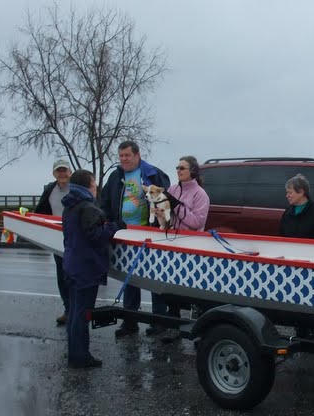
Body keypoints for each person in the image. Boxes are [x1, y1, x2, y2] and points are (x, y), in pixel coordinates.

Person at [98, 141, 171, 337]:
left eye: (127, 155)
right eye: (121, 156)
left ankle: (159, 321)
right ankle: (130, 321)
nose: (123, 159)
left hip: (151, 233)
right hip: (124, 232)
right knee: (129, 277)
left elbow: (167, 199)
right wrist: (107, 222)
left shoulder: (153, 174)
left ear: (137, 155)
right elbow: (105, 201)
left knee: (155, 277)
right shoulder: (115, 176)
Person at [61, 169, 118, 368]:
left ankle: (75, 354)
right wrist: (113, 227)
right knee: (81, 315)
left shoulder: (69, 206)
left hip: (72, 264)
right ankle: (80, 357)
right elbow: (96, 236)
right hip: (86, 267)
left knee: (74, 313)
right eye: (94, 183)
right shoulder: (87, 207)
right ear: (88, 186)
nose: (96, 187)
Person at [153, 155, 212, 324]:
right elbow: (167, 214)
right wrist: (160, 214)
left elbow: (196, 222)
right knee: (168, 286)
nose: (178, 171)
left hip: (190, 245)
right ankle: (171, 322)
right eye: (177, 168)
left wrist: (177, 206)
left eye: (182, 168)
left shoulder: (200, 194)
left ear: (192, 171)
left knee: (186, 287)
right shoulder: (172, 189)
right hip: (171, 241)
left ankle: (192, 323)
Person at [34, 158, 72, 325]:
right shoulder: (49, 189)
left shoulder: (77, 188)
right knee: (61, 276)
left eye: (64, 170)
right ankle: (68, 309)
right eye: (59, 171)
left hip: (76, 238)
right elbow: (40, 211)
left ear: (70, 172)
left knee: (74, 275)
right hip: (57, 238)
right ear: (54, 173)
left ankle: (78, 310)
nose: (62, 174)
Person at [279, 174, 314, 240]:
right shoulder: (287, 213)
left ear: (301, 192)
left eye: (290, 192)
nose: (287, 196)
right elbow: (282, 238)